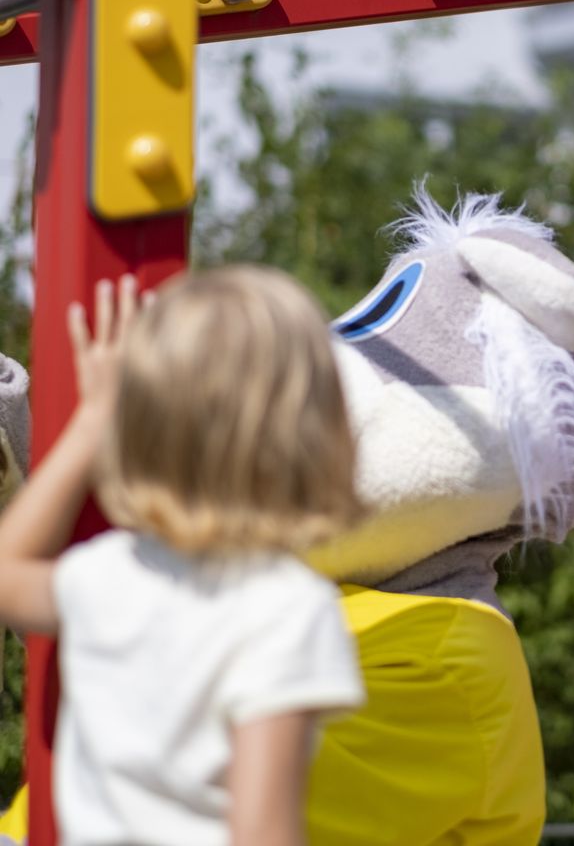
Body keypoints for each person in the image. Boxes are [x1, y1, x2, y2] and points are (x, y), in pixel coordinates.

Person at [0, 267, 366, 846]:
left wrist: (91, 423)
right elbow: (263, 833)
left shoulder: (112, 573)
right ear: (313, 434)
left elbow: (6, 571)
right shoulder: (291, 610)